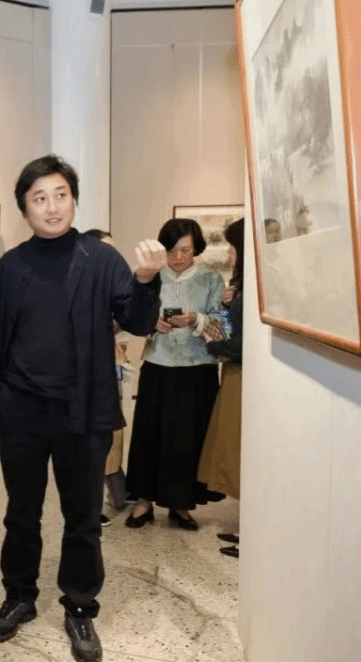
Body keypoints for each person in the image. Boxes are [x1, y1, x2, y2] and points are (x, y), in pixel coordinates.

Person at [0, 155, 166, 662]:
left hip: (83, 411)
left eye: (60, 194)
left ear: (73, 200)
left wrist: (146, 279)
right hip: (22, 411)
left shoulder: (100, 259)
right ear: (25, 209)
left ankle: (80, 606)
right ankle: (19, 596)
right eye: (39, 198)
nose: (52, 206)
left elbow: (137, 321)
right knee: (21, 513)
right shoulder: (11, 266)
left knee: (82, 516)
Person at [124, 218, 226, 532]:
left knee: (187, 439)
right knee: (149, 435)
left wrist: (195, 319)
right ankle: (143, 501)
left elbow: (222, 329)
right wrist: (151, 322)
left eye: (186, 250)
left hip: (197, 369)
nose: (179, 257)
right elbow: (130, 317)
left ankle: (181, 504)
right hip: (158, 364)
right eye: (172, 250)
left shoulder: (211, 279)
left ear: (197, 249)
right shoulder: (151, 277)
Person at [199, 219, 244, 558]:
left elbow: (241, 344)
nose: (229, 254)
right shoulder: (242, 287)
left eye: (233, 247)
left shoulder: (250, 288)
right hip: (236, 373)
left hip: (242, 373)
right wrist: (229, 306)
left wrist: (211, 343)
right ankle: (243, 526)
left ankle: (247, 531)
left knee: (238, 449)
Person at [82, 229, 132, 525]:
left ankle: (118, 492)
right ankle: (91, 506)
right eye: (106, 249)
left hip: (110, 368)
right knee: (90, 442)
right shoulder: (77, 285)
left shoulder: (113, 283)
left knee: (112, 434)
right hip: (83, 375)